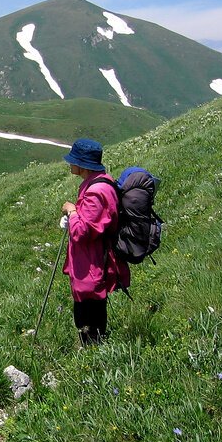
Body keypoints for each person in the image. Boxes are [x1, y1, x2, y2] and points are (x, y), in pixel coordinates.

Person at [61, 138, 130, 345]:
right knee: (89, 301)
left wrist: (71, 212)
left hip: (91, 260)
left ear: (82, 164)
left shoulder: (96, 192)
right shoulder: (97, 183)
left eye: (72, 160)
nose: (69, 164)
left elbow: (82, 231)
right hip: (89, 257)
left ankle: (92, 346)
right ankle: (93, 343)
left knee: (89, 302)